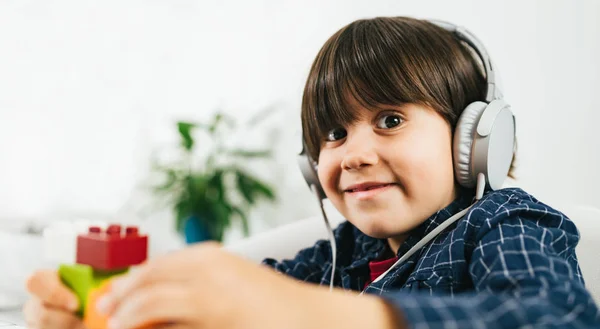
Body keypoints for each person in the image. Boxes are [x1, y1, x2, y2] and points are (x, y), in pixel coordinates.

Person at [23, 16, 600, 329]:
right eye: (333, 133)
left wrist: (326, 315)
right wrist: (129, 305)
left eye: (390, 119)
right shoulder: (337, 254)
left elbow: (555, 316)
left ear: (475, 140)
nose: (351, 154)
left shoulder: (506, 222)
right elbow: (245, 297)